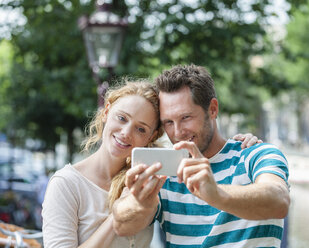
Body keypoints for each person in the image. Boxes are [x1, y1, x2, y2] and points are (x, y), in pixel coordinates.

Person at [42, 79, 261, 248]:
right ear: (106, 113)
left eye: (141, 129)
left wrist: (237, 144)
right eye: (122, 118)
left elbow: (205, 155)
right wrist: (119, 212)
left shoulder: (152, 177)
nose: (126, 133)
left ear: (151, 137)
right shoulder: (67, 184)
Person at [112, 65, 290, 247]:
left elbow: (279, 200)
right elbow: (121, 225)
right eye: (168, 122)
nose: (178, 132)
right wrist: (140, 203)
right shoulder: (165, 172)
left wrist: (216, 193)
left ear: (212, 109)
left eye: (186, 117)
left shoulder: (256, 154)